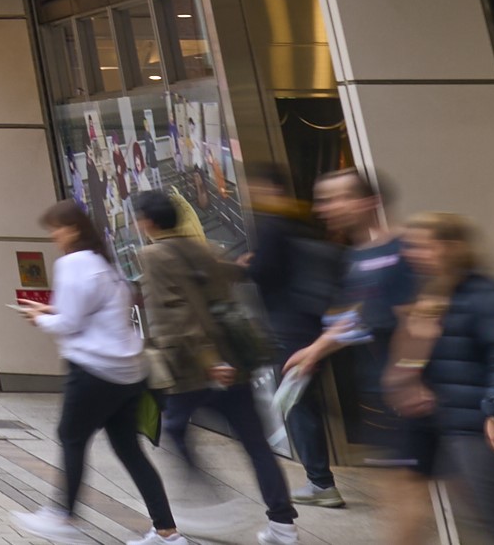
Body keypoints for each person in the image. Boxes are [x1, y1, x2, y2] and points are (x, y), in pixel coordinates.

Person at [128, 190, 298, 545]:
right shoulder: (204, 249)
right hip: (234, 364)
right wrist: (240, 267)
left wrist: (209, 361)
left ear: (148, 222)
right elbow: (224, 283)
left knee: (174, 428)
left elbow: (175, 316)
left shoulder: (154, 256)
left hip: (195, 370)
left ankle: (208, 507)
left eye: (138, 217)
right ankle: (283, 525)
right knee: (255, 442)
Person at [14, 199, 180, 545]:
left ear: (72, 230)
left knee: (71, 437)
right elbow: (96, 310)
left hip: (93, 370)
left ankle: (64, 516)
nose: (54, 237)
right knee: (129, 449)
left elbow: (70, 323)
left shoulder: (72, 263)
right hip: (128, 374)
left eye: (56, 229)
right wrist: (50, 308)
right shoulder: (105, 264)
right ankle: (167, 531)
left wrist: (39, 318)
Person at [377, 214, 494, 545]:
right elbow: (430, 354)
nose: (411, 253)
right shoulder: (437, 293)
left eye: (421, 246)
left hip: (487, 427)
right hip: (460, 424)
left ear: (450, 248)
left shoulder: (486, 295)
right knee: (492, 522)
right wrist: (414, 381)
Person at [285, 168, 420, 544]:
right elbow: (357, 315)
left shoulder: (405, 250)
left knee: (416, 495)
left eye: (334, 198)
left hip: (417, 396)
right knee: (403, 492)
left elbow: (422, 319)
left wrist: (406, 373)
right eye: (322, 199)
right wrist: (317, 349)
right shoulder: (358, 256)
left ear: (369, 202)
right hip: (387, 396)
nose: (323, 208)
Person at [242, 166, 348, 509]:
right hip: (313, 321)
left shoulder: (272, 225)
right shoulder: (301, 221)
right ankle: (320, 478)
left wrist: (248, 265)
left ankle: (321, 482)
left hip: (290, 325)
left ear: (270, 188)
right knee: (305, 400)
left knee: (298, 403)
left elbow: (265, 272)